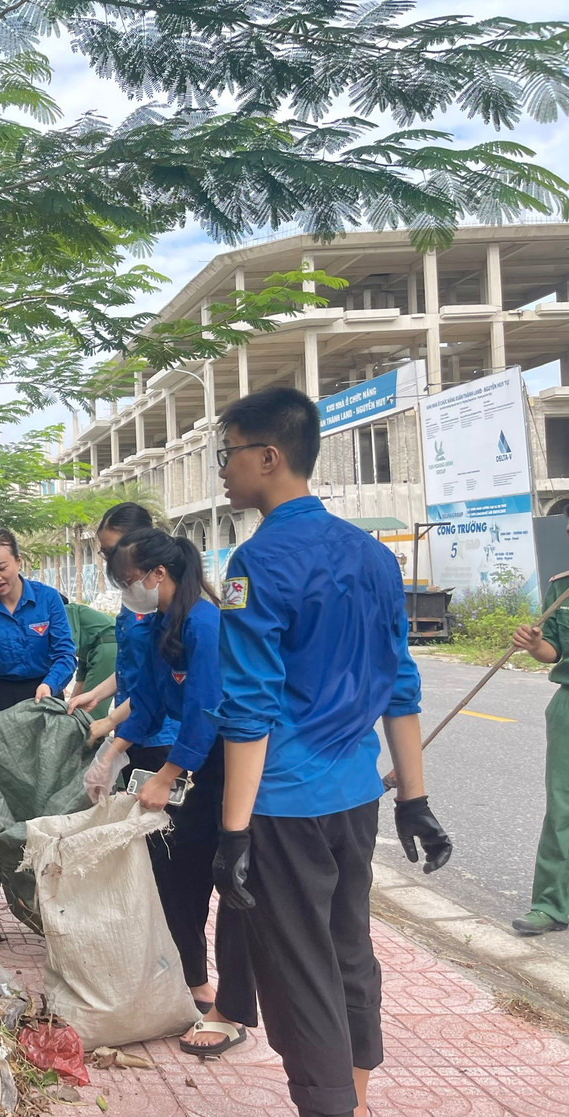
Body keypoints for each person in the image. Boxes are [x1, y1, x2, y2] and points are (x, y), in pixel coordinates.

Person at [210, 386, 451, 1117]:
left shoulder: (256, 562)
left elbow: (249, 710)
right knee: (348, 946)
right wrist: (415, 799)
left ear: (268, 457)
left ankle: (330, 1107)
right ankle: (358, 1099)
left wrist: (232, 832)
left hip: (283, 803)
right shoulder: (373, 557)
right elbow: (400, 684)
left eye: (227, 455)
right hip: (356, 797)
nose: (224, 470)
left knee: (297, 969)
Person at [86, 528, 257, 1056]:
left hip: (224, 763)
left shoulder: (205, 622)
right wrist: (111, 753)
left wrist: (167, 775)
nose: (127, 591)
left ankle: (228, 1003)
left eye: (129, 580)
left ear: (158, 574)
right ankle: (192, 983)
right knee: (175, 874)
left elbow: (207, 708)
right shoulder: (164, 625)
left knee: (224, 877)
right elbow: (150, 702)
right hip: (190, 761)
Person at [0, 529, 76, 906]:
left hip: (42, 700)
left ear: (19, 562)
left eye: (2, 567)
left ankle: (46, 894)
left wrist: (51, 684)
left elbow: (65, 655)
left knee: (44, 794)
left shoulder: (48, 599)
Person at [69, 503, 180, 749]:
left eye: (113, 553)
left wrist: (110, 721)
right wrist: (96, 694)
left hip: (159, 735)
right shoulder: (136, 597)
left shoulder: (165, 607)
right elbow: (131, 667)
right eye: (105, 554)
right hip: (129, 726)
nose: (111, 563)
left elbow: (157, 683)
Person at [510, 540, 569, 936]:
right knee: (563, 808)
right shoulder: (562, 587)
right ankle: (551, 904)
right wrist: (534, 645)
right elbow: (554, 651)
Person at [59, 592, 117, 719]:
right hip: (100, 649)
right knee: (82, 706)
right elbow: (81, 681)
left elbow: (65, 651)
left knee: (91, 710)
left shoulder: (64, 611)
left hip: (108, 647)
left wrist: (55, 683)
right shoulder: (84, 635)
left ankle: (93, 730)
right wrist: (67, 712)